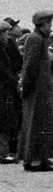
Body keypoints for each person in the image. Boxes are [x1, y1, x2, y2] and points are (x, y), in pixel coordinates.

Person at [20, 10, 53, 171]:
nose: (50, 27)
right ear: (43, 24)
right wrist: (26, 88)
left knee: (41, 123)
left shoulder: (38, 38)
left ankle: (39, 157)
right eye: (49, 24)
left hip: (40, 89)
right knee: (36, 123)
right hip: (36, 90)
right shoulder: (35, 39)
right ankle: (34, 160)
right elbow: (30, 66)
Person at [0, 18, 21, 163]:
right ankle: (3, 153)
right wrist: (14, 80)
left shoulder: (3, 47)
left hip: (4, 87)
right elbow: (2, 70)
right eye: (5, 32)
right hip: (3, 88)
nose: (7, 34)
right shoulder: (1, 48)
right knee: (4, 120)